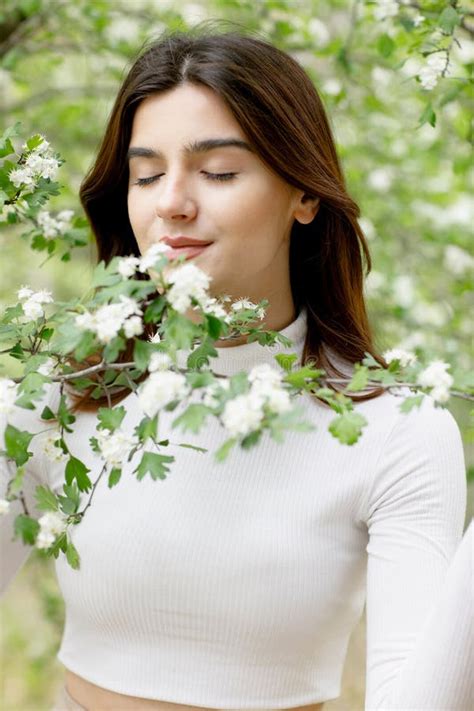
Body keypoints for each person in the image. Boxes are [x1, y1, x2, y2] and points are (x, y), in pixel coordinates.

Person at [1, 24, 472, 711]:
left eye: (218, 171)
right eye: (146, 174)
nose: (171, 203)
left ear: (303, 195)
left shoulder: (395, 430)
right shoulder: (60, 399)